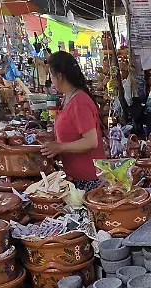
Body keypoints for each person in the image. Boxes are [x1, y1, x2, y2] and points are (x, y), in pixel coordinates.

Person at [39, 51, 106, 189]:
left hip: (88, 179)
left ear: (60, 76)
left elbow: (91, 141)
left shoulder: (79, 102)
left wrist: (60, 147)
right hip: (74, 175)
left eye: (51, 75)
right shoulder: (67, 98)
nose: (50, 79)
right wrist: (52, 138)